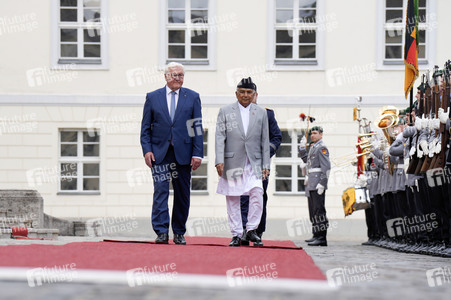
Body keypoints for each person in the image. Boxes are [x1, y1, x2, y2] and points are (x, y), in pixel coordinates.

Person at [140, 62, 203, 245]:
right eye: (174, 75)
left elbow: (196, 127)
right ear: (166, 76)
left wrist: (198, 153)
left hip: (184, 153)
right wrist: (147, 150)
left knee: (182, 194)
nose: (178, 79)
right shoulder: (153, 97)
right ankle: (161, 231)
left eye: (181, 75)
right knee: (160, 191)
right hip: (159, 153)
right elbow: (145, 128)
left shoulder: (192, 97)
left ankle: (178, 232)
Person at [215, 77, 270, 247]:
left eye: (249, 92)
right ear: (236, 93)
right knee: (233, 198)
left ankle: (252, 229)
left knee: (257, 194)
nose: (245, 95)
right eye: (242, 92)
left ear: (254, 94)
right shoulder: (225, 111)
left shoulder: (261, 112)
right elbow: (219, 136)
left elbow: (265, 140)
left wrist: (266, 165)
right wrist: (219, 160)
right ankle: (237, 234)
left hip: (254, 162)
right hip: (232, 161)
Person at [240, 84, 281, 245]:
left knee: (259, 197)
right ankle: (244, 230)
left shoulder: (267, 115)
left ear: (256, 96)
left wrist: (265, 154)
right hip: (241, 163)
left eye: (251, 94)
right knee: (242, 197)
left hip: (260, 165)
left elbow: (276, 138)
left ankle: (257, 231)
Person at [298, 126, 331, 246]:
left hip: (317, 183)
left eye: (315, 133)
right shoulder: (314, 147)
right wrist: (302, 149)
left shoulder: (321, 148)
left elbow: (326, 167)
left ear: (321, 134)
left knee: (319, 211)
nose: (312, 135)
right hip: (311, 183)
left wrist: (323, 183)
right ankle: (316, 234)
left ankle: (322, 237)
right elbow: (308, 161)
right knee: (313, 211)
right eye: (311, 133)